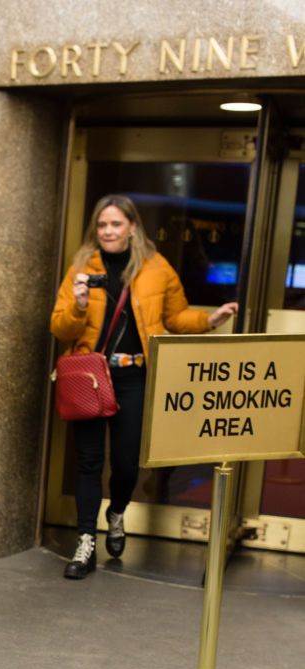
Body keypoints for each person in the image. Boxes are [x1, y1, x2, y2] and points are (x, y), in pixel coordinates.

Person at [50, 194, 237, 579]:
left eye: (116, 224)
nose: (108, 232)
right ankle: (86, 542)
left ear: (132, 227)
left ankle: (117, 512)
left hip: (134, 378)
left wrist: (210, 319)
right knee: (87, 463)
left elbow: (176, 317)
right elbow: (60, 327)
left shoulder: (155, 267)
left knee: (125, 463)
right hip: (90, 375)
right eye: (102, 225)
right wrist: (80, 304)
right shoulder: (82, 267)